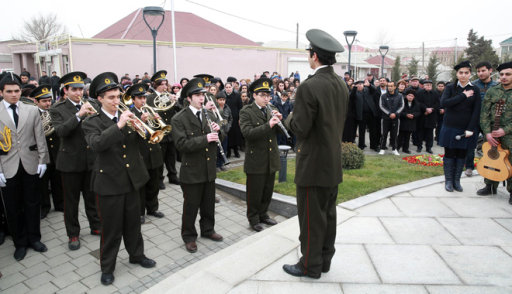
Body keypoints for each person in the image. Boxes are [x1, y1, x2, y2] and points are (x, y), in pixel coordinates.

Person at [283, 29, 348, 279]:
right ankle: (325, 260)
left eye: (309, 53)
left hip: (313, 165)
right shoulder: (340, 83)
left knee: (311, 219)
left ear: (314, 56)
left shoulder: (310, 86)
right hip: (332, 162)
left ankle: (310, 265)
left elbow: (300, 127)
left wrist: (288, 117)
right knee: (328, 215)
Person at [83, 72, 155, 286]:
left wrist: (144, 127)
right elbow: (97, 145)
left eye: (118, 96)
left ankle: (137, 255)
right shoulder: (91, 122)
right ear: (100, 99)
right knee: (111, 229)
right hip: (109, 183)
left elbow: (139, 148)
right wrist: (120, 126)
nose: (116, 101)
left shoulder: (128, 116)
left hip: (132, 179)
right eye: (111, 98)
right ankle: (107, 266)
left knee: (134, 224)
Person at [49, 72, 101, 251]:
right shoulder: (57, 108)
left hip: (90, 160)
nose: (79, 92)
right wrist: (78, 115)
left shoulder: (92, 104)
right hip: (70, 162)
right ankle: (73, 234)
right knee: (71, 202)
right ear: (66, 90)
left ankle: (96, 225)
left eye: (81, 89)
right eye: (75, 89)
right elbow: (61, 132)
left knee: (92, 197)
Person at [171, 78, 224, 254]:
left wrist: (218, 131)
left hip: (208, 168)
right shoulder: (179, 118)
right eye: (198, 95)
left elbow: (220, 138)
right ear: (189, 98)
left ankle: (208, 230)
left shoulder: (209, 114)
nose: (202, 98)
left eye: (203, 95)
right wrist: (205, 139)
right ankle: (189, 236)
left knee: (209, 204)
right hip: (192, 170)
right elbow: (181, 145)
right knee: (191, 206)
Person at [0, 73, 49, 261]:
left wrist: (43, 160)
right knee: (12, 207)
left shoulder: (30, 110)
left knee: (32, 202)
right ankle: (20, 243)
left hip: (30, 163)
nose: (14, 94)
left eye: (17, 90)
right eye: (9, 91)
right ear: (1, 92)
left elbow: (40, 137)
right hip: (7, 165)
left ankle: (34, 238)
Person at [239, 77, 281, 232]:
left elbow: (275, 134)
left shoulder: (271, 108)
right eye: (262, 95)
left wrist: (278, 122)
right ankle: (253, 219)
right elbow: (247, 133)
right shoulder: (246, 111)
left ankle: (264, 214)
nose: (266, 98)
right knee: (254, 192)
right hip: (256, 159)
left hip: (271, 158)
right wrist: (268, 125)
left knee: (267, 190)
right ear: (254, 95)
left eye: (268, 95)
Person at [439, 61, 481, 192]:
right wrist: (463, 95)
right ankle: (449, 181)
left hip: (466, 129)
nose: (463, 75)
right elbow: (444, 103)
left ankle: (457, 181)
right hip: (450, 126)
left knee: (462, 154)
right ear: (457, 74)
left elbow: (476, 111)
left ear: (470, 74)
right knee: (450, 154)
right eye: (460, 73)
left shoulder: (475, 89)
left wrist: (471, 128)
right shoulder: (450, 88)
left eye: (466, 73)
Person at [127, 83, 165, 223]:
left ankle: (153, 208)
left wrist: (157, 120)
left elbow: (160, 130)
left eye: (144, 97)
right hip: (140, 153)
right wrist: (140, 121)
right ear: (133, 100)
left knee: (154, 183)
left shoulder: (150, 110)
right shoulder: (130, 115)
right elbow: (130, 135)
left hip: (154, 151)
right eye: (140, 98)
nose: (143, 100)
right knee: (141, 185)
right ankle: (140, 211)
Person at [477, 61, 512, 199]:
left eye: (508, 74)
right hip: (492, 133)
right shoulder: (493, 91)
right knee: (491, 158)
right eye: (502, 74)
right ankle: (490, 186)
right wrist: (487, 132)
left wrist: (506, 130)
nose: (504, 77)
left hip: (509, 135)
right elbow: (484, 113)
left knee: (510, 161)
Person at [31, 85, 63, 219]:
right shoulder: (32, 114)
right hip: (41, 154)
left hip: (56, 152)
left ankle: (60, 204)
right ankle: (44, 207)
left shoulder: (54, 112)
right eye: (44, 101)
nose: (48, 103)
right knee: (43, 183)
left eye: (49, 100)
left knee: (57, 180)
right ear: (36, 101)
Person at [146, 70, 181, 189]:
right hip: (159, 130)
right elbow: (149, 112)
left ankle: (173, 176)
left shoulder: (169, 95)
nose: (165, 86)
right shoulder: (150, 98)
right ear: (156, 85)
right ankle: (159, 179)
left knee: (171, 156)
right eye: (162, 84)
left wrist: (175, 101)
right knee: (160, 156)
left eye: (166, 84)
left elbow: (177, 110)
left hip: (170, 129)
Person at [465, 61, 499, 177]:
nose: (480, 73)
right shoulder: (472, 85)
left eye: (483, 70)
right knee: (470, 144)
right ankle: (469, 167)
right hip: (474, 120)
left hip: (490, 122)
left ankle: (488, 165)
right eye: (478, 71)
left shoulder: (496, 87)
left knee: (489, 145)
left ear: (490, 71)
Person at [378, 81, 404, 155]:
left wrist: (395, 114)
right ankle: (382, 148)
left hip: (395, 118)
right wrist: (389, 113)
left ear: (395, 87)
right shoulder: (383, 96)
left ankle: (394, 149)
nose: (390, 87)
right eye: (388, 86)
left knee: (395, 134)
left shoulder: (399, 96)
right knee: (384, 134)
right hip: (385, 118)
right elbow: (381, 106)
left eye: (391, 86)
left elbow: (401, 106)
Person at [415, 80, 440, 153]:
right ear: (423, 86)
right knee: (420, 132)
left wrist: (431, 109)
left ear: (432, 86)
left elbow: (438, 103)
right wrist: (425, 109)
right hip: (422, 115)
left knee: (430, 133)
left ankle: (429, 148)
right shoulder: (419, 93)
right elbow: (418, 103)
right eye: (427, 85)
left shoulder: (435, 93)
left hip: (431, 116)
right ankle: (419, 147)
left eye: (430, 85)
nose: (428, 86)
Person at [358, 79, 380, 151]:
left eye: (361, 84)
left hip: (371, 113)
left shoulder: (368, 90)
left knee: (373, 130)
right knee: (361, 131)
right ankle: (361, 145)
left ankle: (373, 146)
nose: (360, 85)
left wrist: (369, 85)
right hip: (362, 114)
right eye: (359, 84)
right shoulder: (356, 92)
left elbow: (375, 90)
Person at [397, 89, 422, 154]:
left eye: (412, 96)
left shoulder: (417, 104)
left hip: (411, 122)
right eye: (409, 95)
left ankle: (405, 149)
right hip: (403, 122)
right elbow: (399, 111)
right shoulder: (402, 102)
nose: (410, 97)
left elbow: (418, 112)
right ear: (406, 96)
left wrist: (413, 115)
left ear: (414, 97)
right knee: (400, 136)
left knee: (407, 137)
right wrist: (406, 115)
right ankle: (397, 148)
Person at [224, 82, 243, 158]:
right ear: (225, 88)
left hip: (235, 118)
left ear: (232, 88)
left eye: (229, 87)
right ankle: (228, 151)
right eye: (227, 87)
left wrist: (240, 118)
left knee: (235, 135)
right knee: (227, 134)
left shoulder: (237, 96)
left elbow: (240, 108)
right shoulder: (223, 96)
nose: (228, 89)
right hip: (226, 118)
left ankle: (236, 151)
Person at [215, 92, 232, 171]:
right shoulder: (214, 108)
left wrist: (228, 126)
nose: (222, 101)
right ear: (217, 100)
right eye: (220, 100)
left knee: (224, 149)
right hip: (217, 133)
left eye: (223, 100)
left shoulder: (227, 108)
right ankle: (216, 165)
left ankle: (221, 164)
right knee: (217, 150)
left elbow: (231, 119)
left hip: (225, 133)